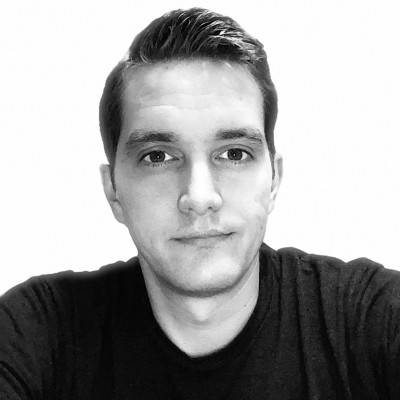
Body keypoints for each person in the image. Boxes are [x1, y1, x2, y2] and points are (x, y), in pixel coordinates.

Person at [1, 7, 399, 400]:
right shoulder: (36, 332)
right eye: (157, 156)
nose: (199, 197)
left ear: (274, 179)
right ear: (113, 191)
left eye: (235, 154)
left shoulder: (371, 320)